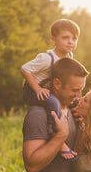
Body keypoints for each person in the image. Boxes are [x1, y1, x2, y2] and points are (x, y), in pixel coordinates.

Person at [21, 18, 80, 161]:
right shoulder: (47, 58)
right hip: (33, 91)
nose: (70, 41)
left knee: (75, 102)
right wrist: (38, 89)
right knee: (54, 103)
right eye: (65, 38)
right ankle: (55, 134)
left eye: (74, 38)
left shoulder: (69, 56)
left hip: (49, 90)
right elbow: (25, 69)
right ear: (53, 39)